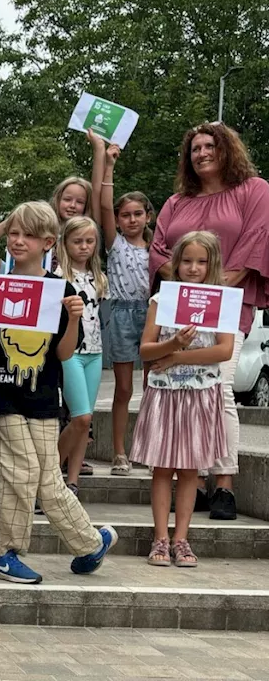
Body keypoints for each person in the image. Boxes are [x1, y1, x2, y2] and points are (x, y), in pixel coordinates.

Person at [0, 202, 118, 585]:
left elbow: (63, 353)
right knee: (23, 471)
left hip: (44, 400)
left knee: (48, 480)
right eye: (13, 233)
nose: (17, 240)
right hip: (2, 397)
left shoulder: (61, 289)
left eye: (27, 235)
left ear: (47, 242)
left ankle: (90, 543)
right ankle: (2, 554)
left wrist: (74, 318)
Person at [150, 122, 269, 521]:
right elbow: (159, 249)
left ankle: (224, 484)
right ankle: (193, 479)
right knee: (186, 394)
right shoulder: (176, 201)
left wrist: (212, 293)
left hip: (230, 307)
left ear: (227, 148)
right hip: (176, 311)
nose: (201, 153)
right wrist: (185, 289)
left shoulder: (254, 191)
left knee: (219, 389)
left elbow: (255, 243)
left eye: (209, 145)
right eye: (195, 147)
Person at [133, 231, 232, 568]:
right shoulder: (162, 302)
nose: (193, 268)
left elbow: (224, 350)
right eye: (187, 261)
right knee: (162, 468)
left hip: (202, 393)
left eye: (201, 262)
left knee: (190, 470)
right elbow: (146, 350)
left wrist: (178, 357)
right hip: (165, 393)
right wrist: (172, 343)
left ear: (212, 264)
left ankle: (181, 539)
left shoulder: (221, 300)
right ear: (176, 263)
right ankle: (160, 538)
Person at [95, 137, 154, 477]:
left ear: (148, 216)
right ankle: (119, 452)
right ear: (117, 221)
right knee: (124, 387)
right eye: (125, 215)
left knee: (152, 387)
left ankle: (148, 449)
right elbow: (103, 206)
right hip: (119, 313)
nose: (131, 220)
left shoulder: (158, 246)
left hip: (149, 315)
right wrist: (109, 166)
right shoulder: (116, 245)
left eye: (137, 214)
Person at [54, 215, 105, 495]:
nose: (84, 247)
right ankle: (50, 477)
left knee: (85, 421)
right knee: (80, 417)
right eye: (77, 241)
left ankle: (72, 482)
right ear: (65, 243)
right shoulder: (60, 276)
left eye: (89, 241)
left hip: (95, 353)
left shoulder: (99, 277)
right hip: (71, 351)